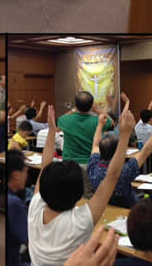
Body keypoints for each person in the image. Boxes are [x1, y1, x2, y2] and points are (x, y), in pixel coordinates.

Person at [28, 103, 135, 265]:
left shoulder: (35, 206)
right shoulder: (80, 221)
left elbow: (45, 166)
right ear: (79, 193)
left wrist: (52, 129)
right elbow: (112, 177)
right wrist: (125, 135)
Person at [89, 99, 152, 208]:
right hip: (130, 209)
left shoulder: (93, 167)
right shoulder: (125, 171)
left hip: (105, 208)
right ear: (118, 153)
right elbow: (146, 151)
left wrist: (100, 126)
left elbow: (95, 145)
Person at [56, 91, 113, 197]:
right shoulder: (97, 121)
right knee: (88, 195)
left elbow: (60, 119)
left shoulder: (65, 120)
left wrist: (73, 110)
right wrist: (97, 110)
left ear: (75, 104)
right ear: (91, 106)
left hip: (69, 164)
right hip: (90, 164)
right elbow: (111, 122)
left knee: (69, 194)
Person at [7, 150, 29, 266]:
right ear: (16, 175)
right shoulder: (14, 203)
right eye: (26, 171)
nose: (27, 176)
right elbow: (31, 241)